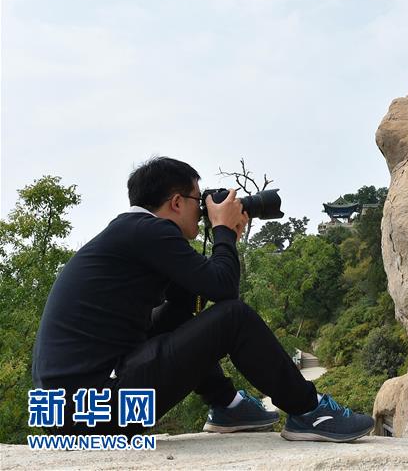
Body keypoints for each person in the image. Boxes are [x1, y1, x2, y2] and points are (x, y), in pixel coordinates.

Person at [31, 156, 373, 441]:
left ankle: (228, 406)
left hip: (74, 414)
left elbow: (189, 303)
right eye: (199, 200)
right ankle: (309, 411)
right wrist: (223, 231)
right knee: (234, 316)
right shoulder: (149, 231)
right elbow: (225, 291)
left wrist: (225, 236)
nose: (202, 210)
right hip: (97, 410)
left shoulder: (132, 233)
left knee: (181, 317)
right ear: (176, 202)